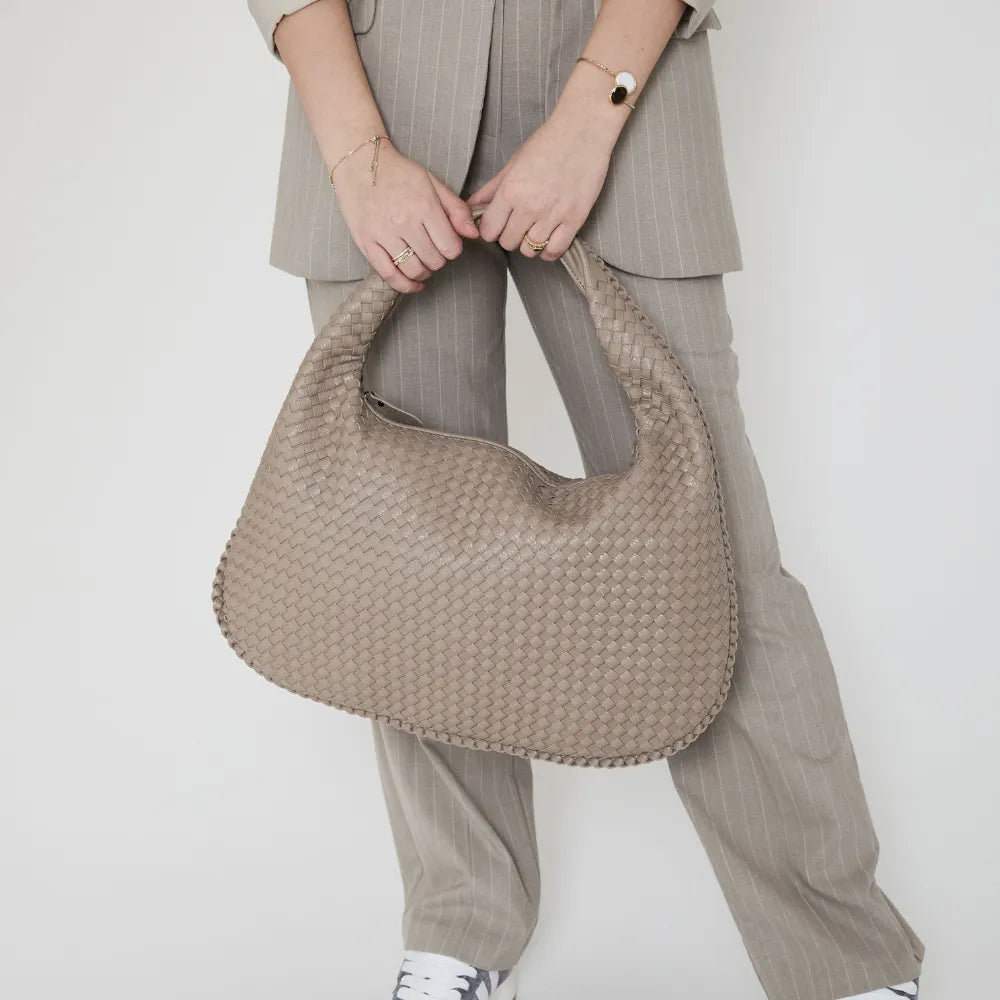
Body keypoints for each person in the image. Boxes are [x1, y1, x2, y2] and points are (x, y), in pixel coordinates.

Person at [244, 2, 926, 998]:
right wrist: (357, 155)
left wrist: (588, 116)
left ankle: (842, 963)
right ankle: (460, 929)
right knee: (412, 575)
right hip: (376, 99)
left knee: (715, 569)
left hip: (622, 90)